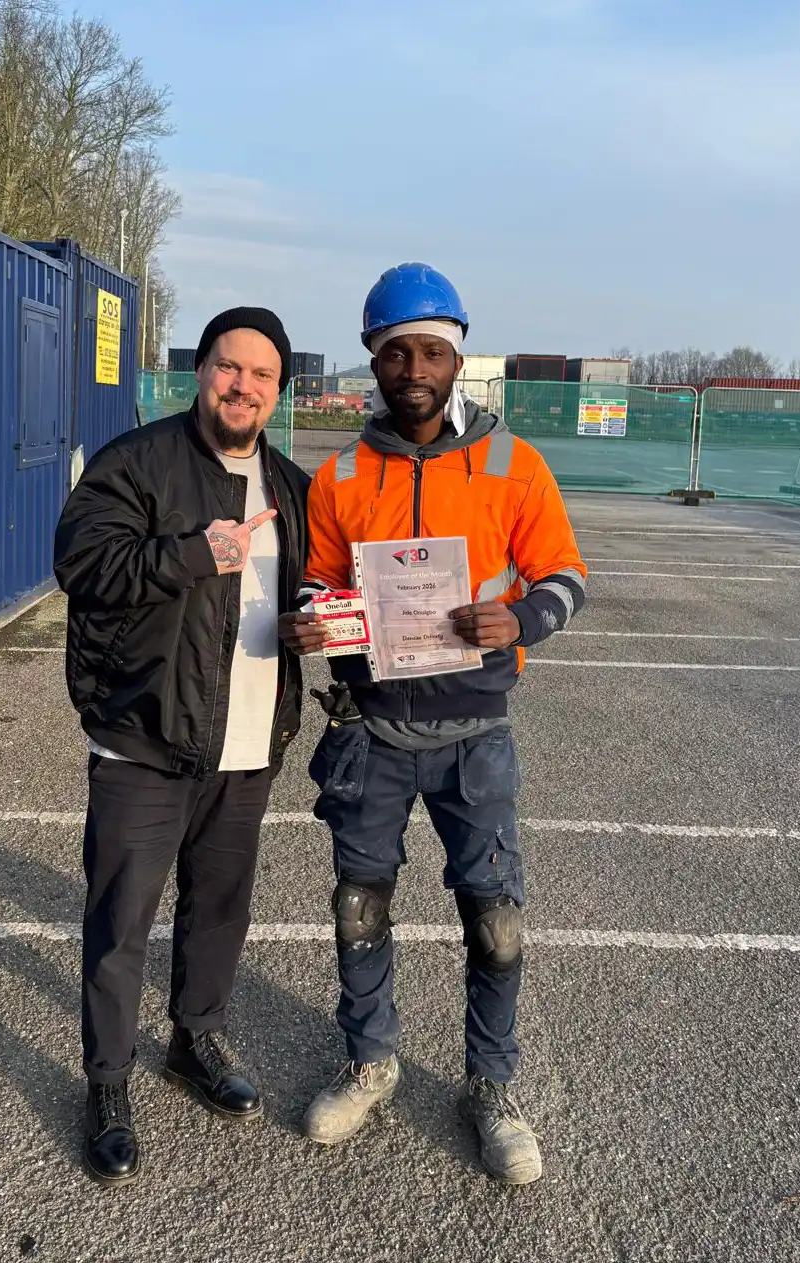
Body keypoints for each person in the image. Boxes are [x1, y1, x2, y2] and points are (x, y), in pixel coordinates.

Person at [279, 264, 587, 1185]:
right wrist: (311, 615)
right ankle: (371, 1060)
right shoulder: (338, 473)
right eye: (396, 351)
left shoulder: (513, 464)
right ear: (375, 361)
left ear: (459, 357)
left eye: (433, 350)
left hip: (474, 736)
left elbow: (567, 577)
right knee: (359, 906)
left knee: (494, 921)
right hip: (370, 730)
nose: (415, 366)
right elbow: (319, 580)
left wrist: (521, 618)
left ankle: (490, 1085)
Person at [54, 307, 310, 1187]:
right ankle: (107, 1083)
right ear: (201, 371)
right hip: (146, 736)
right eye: (229, 368)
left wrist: (313, 635)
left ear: (280, 390)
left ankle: (195, 1037)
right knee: (121, 917)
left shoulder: (291, 484)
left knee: (220, 907)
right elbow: (83, 566)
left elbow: (294, 599)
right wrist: (189, 556)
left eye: (261, 375)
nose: (243, 386)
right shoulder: (138, 462)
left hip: (246, 744)